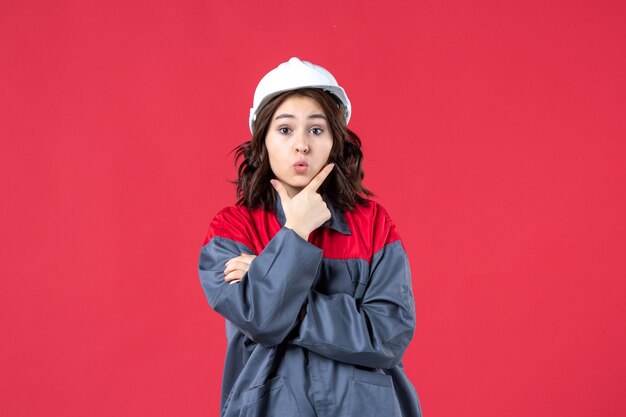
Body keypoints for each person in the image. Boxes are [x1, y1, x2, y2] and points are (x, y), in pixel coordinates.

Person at [198, 57, 422, 417]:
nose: (301, 145)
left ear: (335, 141)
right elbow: (260, 318)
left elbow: (388, 336)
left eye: (316, 130)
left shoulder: (374, 224)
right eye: (285, 130)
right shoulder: (231, 229)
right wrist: (297, 230)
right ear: (262, 141)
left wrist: (271, 279)